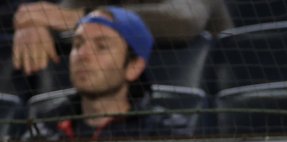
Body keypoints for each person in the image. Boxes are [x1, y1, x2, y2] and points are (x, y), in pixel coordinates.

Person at [23, 8, 193, 141]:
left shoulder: (165, 133)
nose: (82, 55)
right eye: (78, 44)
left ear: (134, 66)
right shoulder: (44, 130)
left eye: (102, 46)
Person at [11, 0, 231, 78]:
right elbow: (57, 17)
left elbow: (184, 21)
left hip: (192, 115)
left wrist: (86, 14)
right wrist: (32, 26)